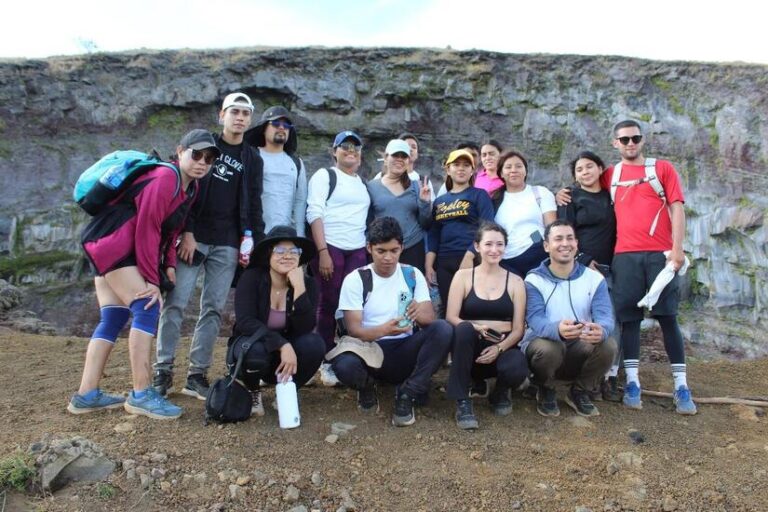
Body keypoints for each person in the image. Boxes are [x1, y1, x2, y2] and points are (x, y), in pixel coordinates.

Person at [69, 129, 219, 419]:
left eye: (209, 159)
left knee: (113, 317)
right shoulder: (166, 178)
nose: (202, 162)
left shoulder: (190, 187)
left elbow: (171, 230)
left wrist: (169, 265)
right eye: (196, 154)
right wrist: (151, 281)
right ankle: (141, 393)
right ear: (180, 151)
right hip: (113, 243)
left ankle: (86, 395)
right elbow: (148, 229)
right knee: (147, 306)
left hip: (107, 242)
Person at [556, 120, 695, 415]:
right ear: (615, 143)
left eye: (635, 138)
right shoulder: (612, 174)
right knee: (629, 320)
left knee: (668, 317)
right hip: (625, 256)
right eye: (624, 139)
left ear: (642, 140)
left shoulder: (662, 169)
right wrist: (562, 193)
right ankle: (632, 382)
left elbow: (677, 207)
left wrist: (678, 248)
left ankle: (682, 386)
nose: (630, 143)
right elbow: (586, 184)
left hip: (660, 254)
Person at [154, 92, 264, 400]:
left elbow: (254, 201)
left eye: (245, 113)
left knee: (213, 308)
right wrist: (187, 231)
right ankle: (162, 370)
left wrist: (252, 239)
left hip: (228, 242)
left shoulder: (252, 158)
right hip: (195, 237)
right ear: (222, 115)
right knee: (176, 302)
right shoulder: (206, 145)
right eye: (234, 111)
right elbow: (187, 185)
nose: (239, 117)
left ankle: (196, 374)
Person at [328, 217, 453, 426]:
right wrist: (384, 330)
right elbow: (354, 329)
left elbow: (429, 320)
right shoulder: (356, 279)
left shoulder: (412, 274)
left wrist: (417, 312)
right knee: (344, 365)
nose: (388, 257)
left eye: (394, 251)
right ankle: (367, 386)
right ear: (369, 248)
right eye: (381, 251)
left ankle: (408, 392)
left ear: (402, 248)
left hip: (404, 348)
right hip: (368, 349)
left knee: (443, 329)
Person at [522, 220, 617, 418]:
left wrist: (602, 329)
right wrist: (556, 330)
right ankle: (545, 387)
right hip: (543, 347)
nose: (565, 244)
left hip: (578, 346)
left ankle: (580, 391)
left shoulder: (594, 278)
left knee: (608, 344)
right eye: (558, 239)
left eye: (570, 238)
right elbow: (535, 318)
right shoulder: (534, 279)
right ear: (546, 246)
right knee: (550, 347)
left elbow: (605, 315)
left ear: (576, 244)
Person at [232, 225, 325, 416]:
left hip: (285, 361)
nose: (287, 256)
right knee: (254, 351)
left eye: (294, 251)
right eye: (280, 250)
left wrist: (299, 287)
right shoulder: (252, 278)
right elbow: (245, 322)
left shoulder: (308, 284)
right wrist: (282, 344)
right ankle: (253, 390)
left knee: (315, 344)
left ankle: (287, 389)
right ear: (269, 254)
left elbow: (305, 327)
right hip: (254, 350)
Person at [445, 222, 527, 429]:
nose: (494, 249)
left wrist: (499, 348)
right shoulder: (463, 276)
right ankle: (462, 400)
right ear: (477, 246)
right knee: (464, 328)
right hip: (470, 347)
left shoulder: (516, 281)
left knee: (517, 365)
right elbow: (451, 316)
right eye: (488, 244)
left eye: (500, 244)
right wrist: (475, 327)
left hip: (502, 345)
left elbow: (519, 328)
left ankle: (500, 391)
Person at [306, 130, 371, 385]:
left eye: (355, 147)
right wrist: (322, 251)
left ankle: (345, 357)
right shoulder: (325, 176)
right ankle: (322, 361)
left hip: (357, 248)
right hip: (330, 245)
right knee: (328, 303)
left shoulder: (362, 183)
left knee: (352, 306)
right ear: (334, 151)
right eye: (345, 146)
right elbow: (315, 212)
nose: (350, 151)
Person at [558, 151, 620, 401]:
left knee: (610, 319)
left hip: (611, 267)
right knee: (582, 318)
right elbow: (564, 232)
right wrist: (582, 258)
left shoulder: (611, 195)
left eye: (589, 166)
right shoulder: (570, 197)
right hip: (582, 268)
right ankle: (580, 375)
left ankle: (609, 376)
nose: (585, 172)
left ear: (600, 168)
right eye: (579, 169)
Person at [426, 149, 495, 314]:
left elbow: (487, 227)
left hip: (471, 259)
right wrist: (429, 265)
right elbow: (433, 234)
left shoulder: (479, 195)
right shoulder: (439, 201)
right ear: (448, 170)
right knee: (449, 310)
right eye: (456, 165)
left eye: (466, 165)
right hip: (444, 262)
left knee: (472, 309)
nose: (461, 169)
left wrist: (470, 255)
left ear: (472, 171)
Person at [367, 139, 432, 272]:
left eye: (404, 156)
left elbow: (425, 224)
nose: (400, 159)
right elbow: (367, 222)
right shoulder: (371, 187)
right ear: (386, 158)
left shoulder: (417, 186)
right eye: (395, 155)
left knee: (411, 284)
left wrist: (424, 202)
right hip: (383, 249)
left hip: (413, 247)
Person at [244, 105, 308, 235]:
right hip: (254, 234)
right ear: (264, 128)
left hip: (285, 237)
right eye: (276, 123)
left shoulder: (297, 163)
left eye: (286, 125)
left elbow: (300, 201)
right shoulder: (251, 157)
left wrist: (300, 235)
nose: (281, 128)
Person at [492, 150, 557, 278]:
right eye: (508, 167)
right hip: (505, 260)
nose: (513, 170)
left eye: (518, 166)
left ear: (525, 171)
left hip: (537, 255)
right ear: (501, 173)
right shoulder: (494, 200)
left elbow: (553, 228)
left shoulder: (540, 193)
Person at [372, 132, 435, 201]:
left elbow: (431, 205)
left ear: (417, 154)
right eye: (406, 146)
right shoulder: (381, 177)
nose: (410, 149)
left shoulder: (423, 182)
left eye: (414, 147)